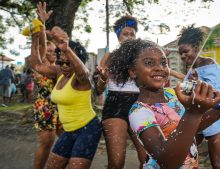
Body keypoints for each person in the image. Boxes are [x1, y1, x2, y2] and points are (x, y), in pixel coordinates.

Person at [108, 38, 220, 168]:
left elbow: (192, 128)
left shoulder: (174, 94)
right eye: (149, 63)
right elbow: (168, 161)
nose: (159, 68)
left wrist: (218, 112)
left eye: (164, 63)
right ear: (133, 72)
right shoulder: (139, 112)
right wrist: (193, 113)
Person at [30, 23, 102, 168]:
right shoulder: (59, 72)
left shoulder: (81, 78)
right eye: (60, 61)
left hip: (88, 129)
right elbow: (37, 65)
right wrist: (34, 37)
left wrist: (67, 49)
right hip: (68, 131)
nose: (63, 65)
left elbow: (83, 72)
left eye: (68, 63)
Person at [177, 25, 220, 169]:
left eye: (185, 51)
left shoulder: (209, 63)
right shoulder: (191, 70)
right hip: (199, 117)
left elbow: (212, 93)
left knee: (217, 161)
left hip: (217, 114)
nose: (183, 56)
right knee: (185, 150)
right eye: (180, 53)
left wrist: (196, 83)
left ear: (195, 48)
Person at [96, 15, 146, 169]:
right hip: (115, 106)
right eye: (126, 34)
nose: (129, 37)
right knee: (117, 163)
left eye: (132, 34)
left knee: (148, 159)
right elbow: (98, 90)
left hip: (140, 105)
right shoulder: (109, 57)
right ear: (119, 37)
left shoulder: (143, 57)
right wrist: (103, 79)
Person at [28, 2, 61, 169]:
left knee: (65, 141)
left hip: (63, 105)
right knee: (47, 141)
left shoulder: (61, 66)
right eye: (48, 51)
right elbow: (41, 44)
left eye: (53, 51)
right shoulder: (41, 64)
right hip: (45, 105)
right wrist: (41, 24)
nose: (51, 53)